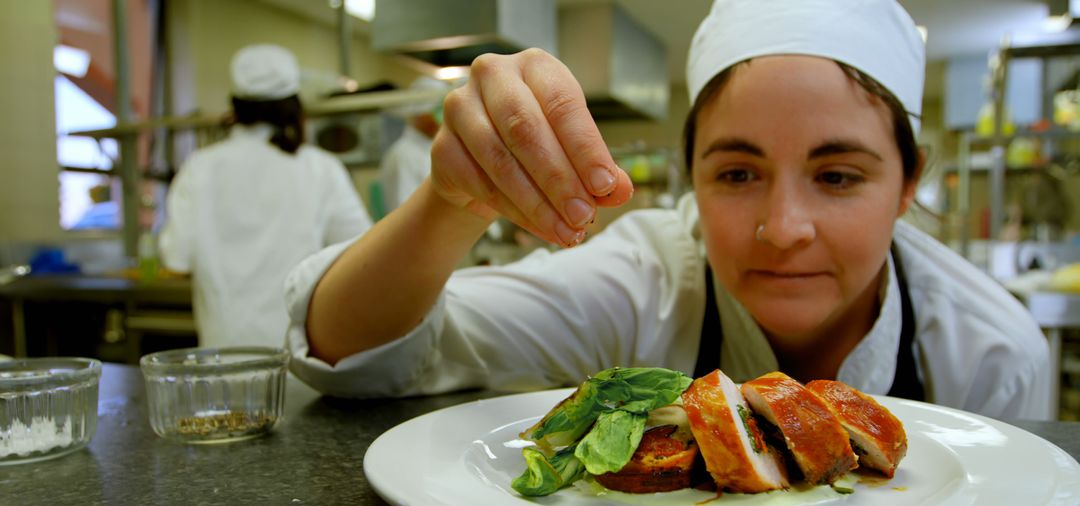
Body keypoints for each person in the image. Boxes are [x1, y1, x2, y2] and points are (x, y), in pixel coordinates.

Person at [284, 0, 1053, 420]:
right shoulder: (650, 281)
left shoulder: (989, 359)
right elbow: (346, 351)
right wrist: (451, 202)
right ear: (690, 176)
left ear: (909, 181)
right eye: (739, 173)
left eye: (840, 177)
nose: (784, 229)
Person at [160, 44, 372, 348]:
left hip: (224, 357)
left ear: (235, 104)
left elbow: (176, 258)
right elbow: (361, 250)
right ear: (294, 104)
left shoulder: (200, 167)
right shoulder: (320, 168)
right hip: (298, 355)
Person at [377, 76, 452, 213]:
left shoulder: (433, 149)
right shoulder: (403, 155)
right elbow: (404, 212)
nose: (442, 117)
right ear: (419, 114)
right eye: (436, 110)